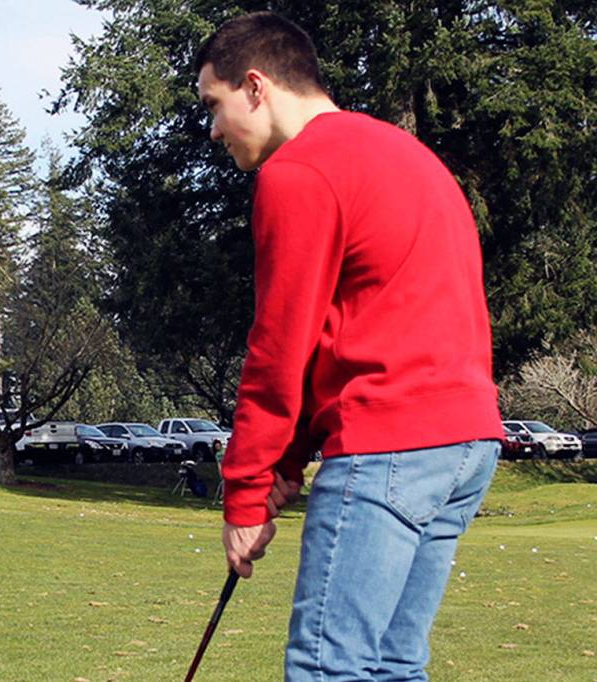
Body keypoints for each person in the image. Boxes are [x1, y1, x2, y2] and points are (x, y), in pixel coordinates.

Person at [195, 13, 503, 681]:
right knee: (391, 665)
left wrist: (245, 495)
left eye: (214, 106)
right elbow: (357, 327)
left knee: (329, 667)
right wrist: (289, 461)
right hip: (465, 444)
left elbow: (280, 348)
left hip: (391, 445)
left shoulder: (299, 172)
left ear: (255, 86)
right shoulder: (401, 153)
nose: (214, 129)